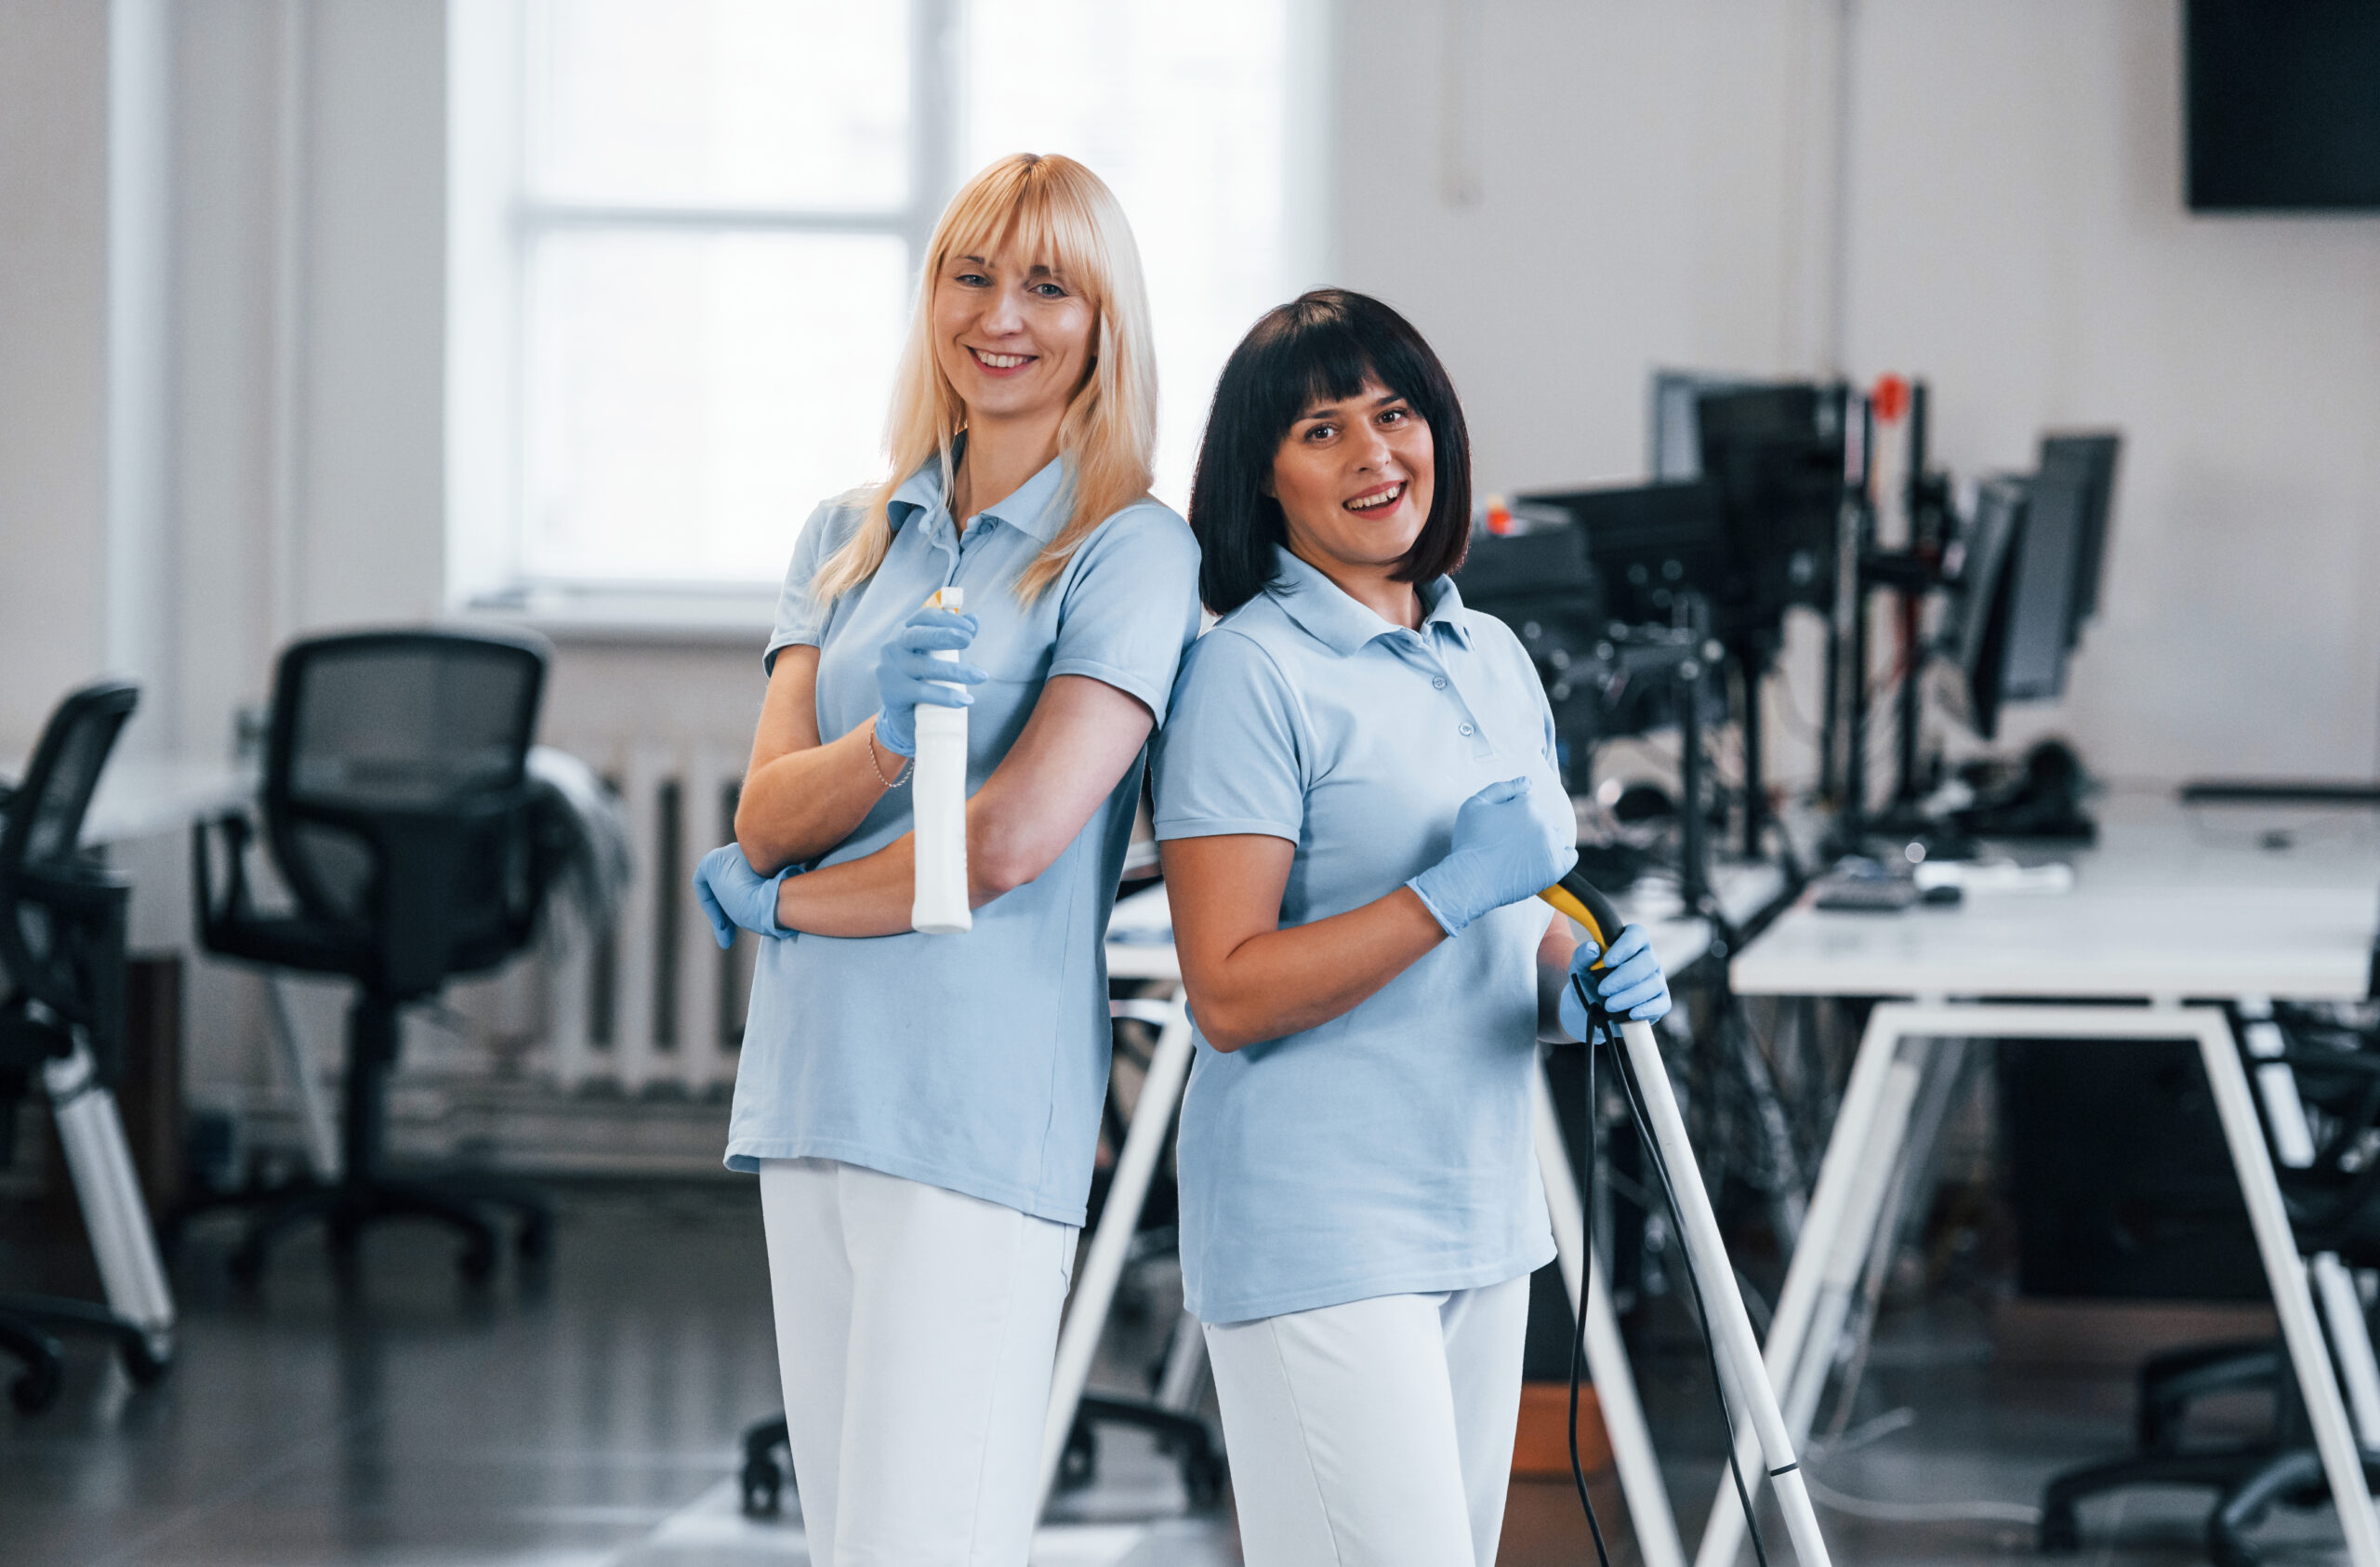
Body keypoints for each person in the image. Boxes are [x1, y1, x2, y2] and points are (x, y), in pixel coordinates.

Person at [691, 153, 1200, 1564]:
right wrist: (888, 754)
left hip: (976, 1112)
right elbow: (765, 806)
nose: (1003, 315)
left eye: (1049, 284)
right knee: (852, 1541)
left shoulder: (1130, 551)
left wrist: (779, 905)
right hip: (811, 1088)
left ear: (1105, 321)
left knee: (928, 1542)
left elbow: (1008, 841)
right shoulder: (845, 536)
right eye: (972, 274)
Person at [1152, 289, 1672, 1565]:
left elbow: (1510, 926)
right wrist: (1448, 889)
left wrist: (1575, 980)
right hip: (1318, 1222)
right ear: (1262, 477)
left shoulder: (1487, 649)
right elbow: (1227, 988)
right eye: (1322, 430)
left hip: (1481, 1207)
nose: (1376, 454)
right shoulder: (1249, 674)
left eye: (1395, 413)